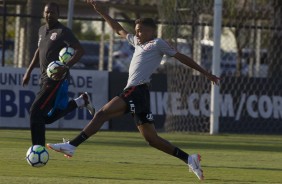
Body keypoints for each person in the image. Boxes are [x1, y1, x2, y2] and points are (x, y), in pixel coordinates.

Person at [47, 0, 220, 180]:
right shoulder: (138, 42)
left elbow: (182, 57)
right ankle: (189, 159)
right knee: (151, 139)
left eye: (141, 30)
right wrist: (102, 12)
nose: (137, 33)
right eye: (136, 30)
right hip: (140, 95)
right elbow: (118, 29)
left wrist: (206, 73)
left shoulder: (158, 43)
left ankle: (72, 145)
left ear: (151, 31)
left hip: (136, 91)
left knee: (101, 114)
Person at [22, 2, 95, 146]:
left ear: (58, 14)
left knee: (35, 112)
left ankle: (38, 149)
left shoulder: (63, 32)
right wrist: (28, 71)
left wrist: (65, 66)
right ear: (44, 13)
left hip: (56, 79)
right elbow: (39, 51)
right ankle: (80, 101)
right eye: (47, 12)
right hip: (44, 78)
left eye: (53, 12)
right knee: (45, 118)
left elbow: (80, 50)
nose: (49, 15)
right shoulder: (42, 30)